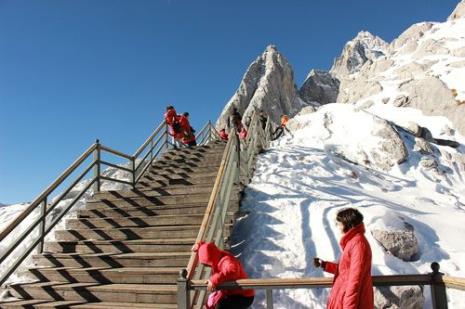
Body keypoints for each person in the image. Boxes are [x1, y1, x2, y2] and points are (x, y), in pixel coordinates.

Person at [314, 208, 374, 309]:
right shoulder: (354, 242)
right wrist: (325, 265)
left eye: (339, 223)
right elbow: (346, 270)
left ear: (348, 224)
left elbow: (355, 280)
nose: (338, 226)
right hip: (343, 297)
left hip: (349, 301)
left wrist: (349, 306)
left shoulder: (358, 244)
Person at [192, 242, 255, 309]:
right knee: (213, 302)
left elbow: (233, 271)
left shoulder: (226, 260)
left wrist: (214, 280)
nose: (208, 266)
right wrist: (199, 246)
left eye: (208, 264)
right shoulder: (217, 256)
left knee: (220, 306)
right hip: (232, 292)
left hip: (244, 296)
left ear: (212, 258)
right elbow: (207, 247)